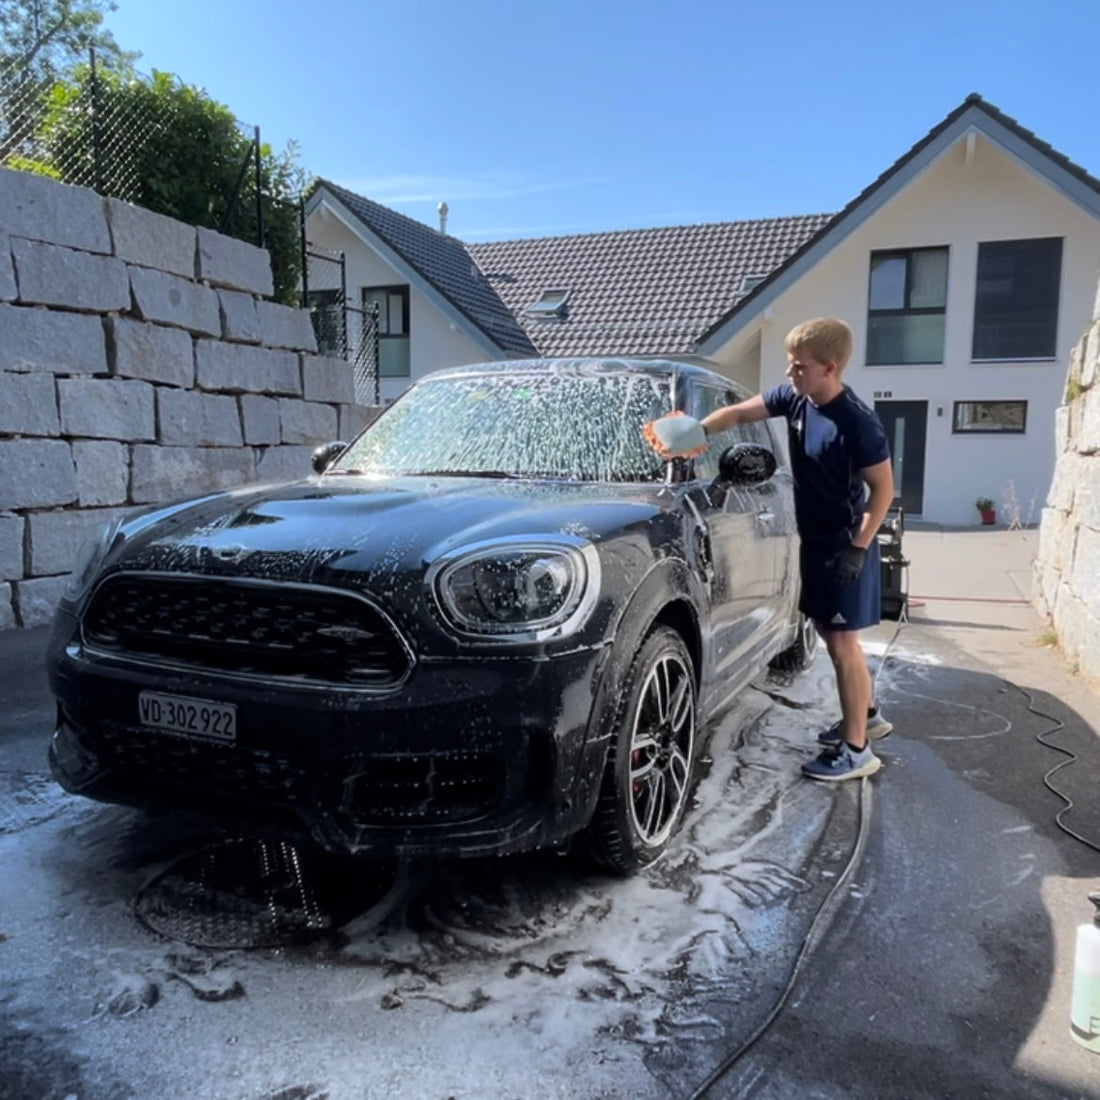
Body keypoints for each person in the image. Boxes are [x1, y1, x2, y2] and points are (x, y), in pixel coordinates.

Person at [645, 317, 895, 781]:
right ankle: (868, 716)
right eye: (789, 364)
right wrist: (695, 431)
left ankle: (858, 749)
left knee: (842, 644)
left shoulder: (858, 424)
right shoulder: (797, 398)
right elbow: (740, 414)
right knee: (832, 634)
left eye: (799, 367)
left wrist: (858, 548)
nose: (789, 373)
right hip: (816, 539)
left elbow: (883, 490)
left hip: (845, 546)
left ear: (830, 368)